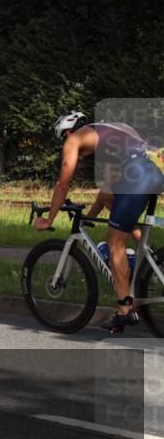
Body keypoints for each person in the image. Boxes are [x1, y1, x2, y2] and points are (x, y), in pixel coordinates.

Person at [35, 112, 164, 332]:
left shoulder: (74, 139)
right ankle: (148, 255)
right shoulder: (112, 131)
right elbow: (108, 190)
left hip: (140, 173)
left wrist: (49, 219)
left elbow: (62, 185)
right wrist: (88, 218)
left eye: (64, 137)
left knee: (115, 244)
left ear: (68, 131)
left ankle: (125, 310)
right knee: (114, 205)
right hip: (156, 166)